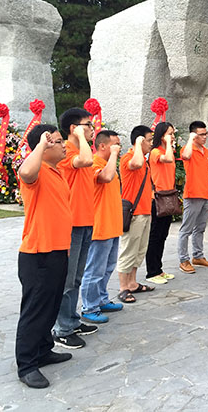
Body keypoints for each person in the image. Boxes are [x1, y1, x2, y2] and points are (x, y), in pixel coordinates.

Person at [15, 124, 72, 388]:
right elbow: (25, 172)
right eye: (57, 141)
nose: (63, 145)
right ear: (44, 145)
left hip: (57, 250)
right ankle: (27, 365)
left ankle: (43, 350)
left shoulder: (56, 171)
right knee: (35, 310)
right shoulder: (35, 172)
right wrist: (40, 144)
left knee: (50, 306)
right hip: (38, 253)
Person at [53, 108, 97, 350]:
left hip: (85, 221)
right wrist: (80, 137)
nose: (92, 129)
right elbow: (87, 161)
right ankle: (61, 329)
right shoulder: (66, 151)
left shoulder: (80, 150)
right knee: (67, 280)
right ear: (73, 128)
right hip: (71, 224)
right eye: (87, 125)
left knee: (77, 278)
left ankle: (71, 320)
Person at [80, 130, 124, 324]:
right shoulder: (94, 164)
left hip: (112, 225)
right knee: (95, 270)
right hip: (100, 226)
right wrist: (113, 155)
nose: (118, 148)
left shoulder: (109, 164)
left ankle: (101, 299)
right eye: (115, 144)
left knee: (107, 267)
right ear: (102, 145)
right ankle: (89, 306)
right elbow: (105, 177)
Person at [117, 125, 156, 303]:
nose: (151, 143)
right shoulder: (128, 158)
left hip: (145, 211)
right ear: (139, 140)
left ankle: (132, 283)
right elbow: (136, 163)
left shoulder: (144, 160)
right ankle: (123, 287)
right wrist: (139, 144)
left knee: (139, 250)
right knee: (128, 250)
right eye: (148, 140)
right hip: (134, 212)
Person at [178, 121, 208, 273]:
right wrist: (190, 139)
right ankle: (183, 259)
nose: (205, 137)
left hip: (204, 194)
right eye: (201, 134)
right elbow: (185, 156)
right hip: (192, 194)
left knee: (200, 228)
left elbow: (207, 172)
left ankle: (198, 256)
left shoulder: (205, 151)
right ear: (194, 135)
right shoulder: (188, 149)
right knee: (186, 229)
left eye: (206, 134)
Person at [146, 122, 177, 284]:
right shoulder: (156, 152)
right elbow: (168, 159)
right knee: (155, 235)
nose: (172, 136)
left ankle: (158, 269)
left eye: (173, 133)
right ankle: (151, 272)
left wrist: (169, 143)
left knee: (163, 235)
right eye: (169, 133)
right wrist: (168, 143)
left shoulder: (167, 150)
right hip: (157, 197)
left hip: (168, 197)